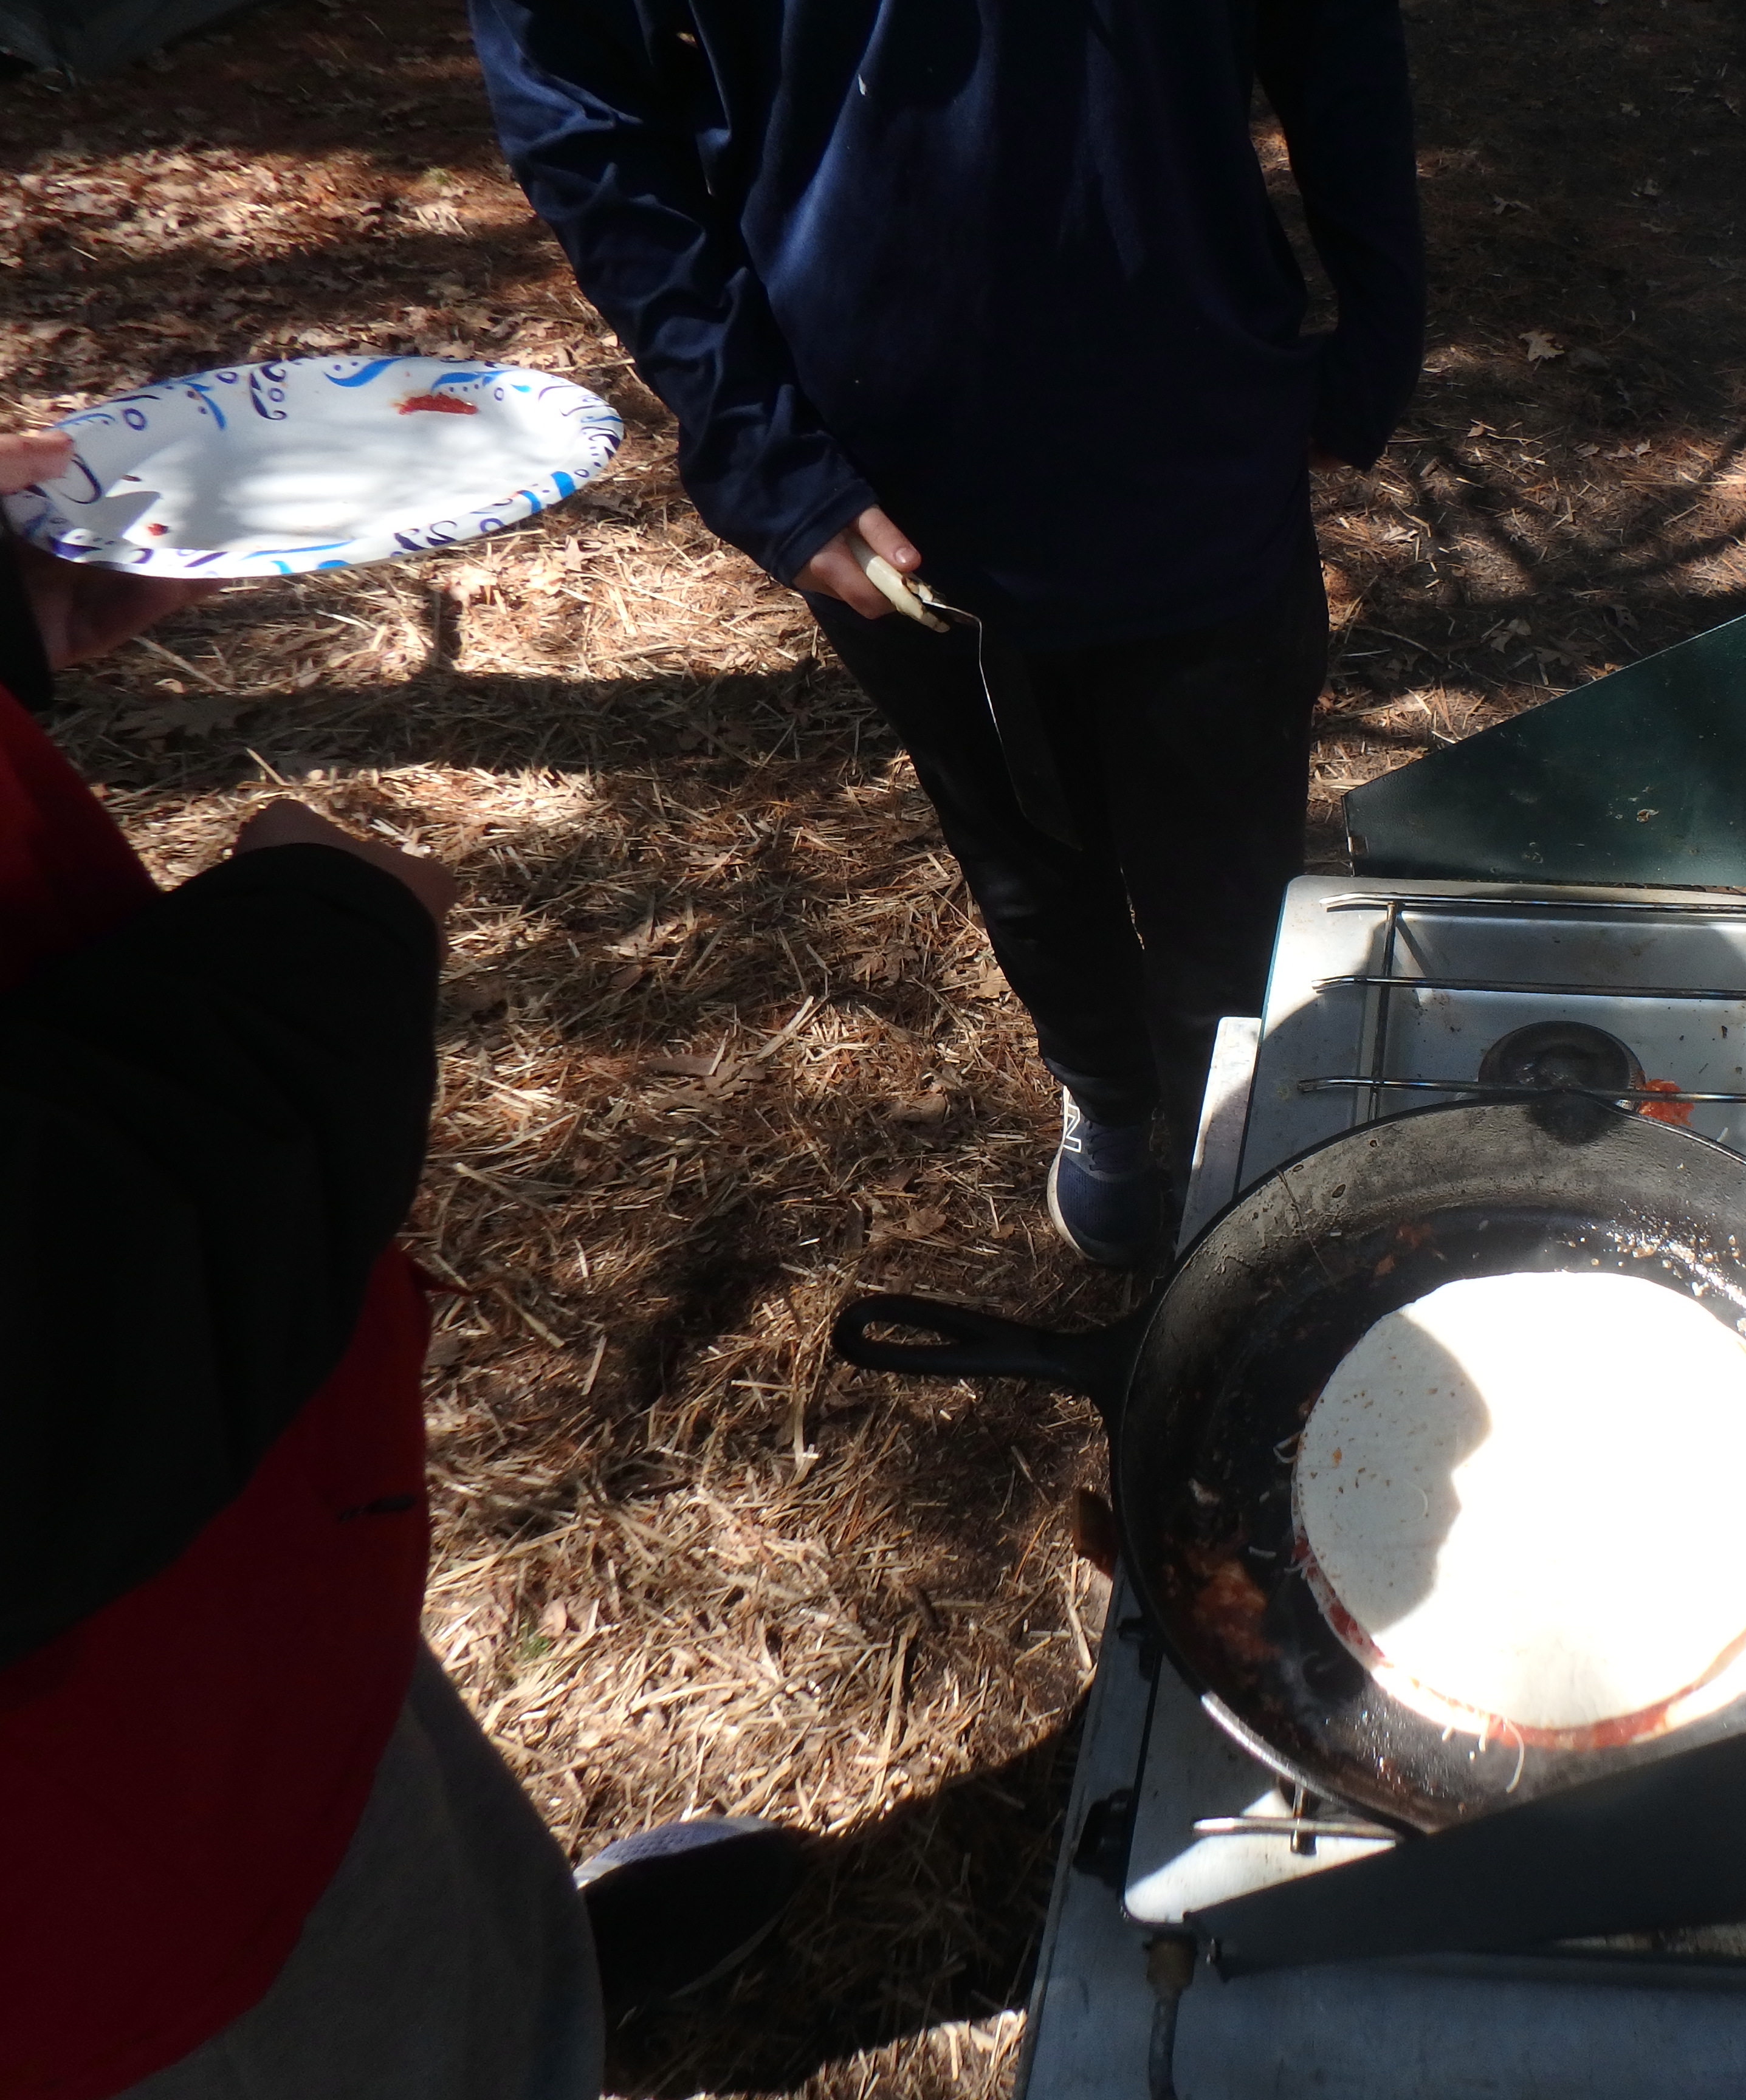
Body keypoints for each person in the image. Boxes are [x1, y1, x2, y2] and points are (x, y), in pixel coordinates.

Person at [0, 430, 792, 2100]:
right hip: (85, 1896)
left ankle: (527, 1977)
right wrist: (313, 962)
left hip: (225, 1580)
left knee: (411, 1863)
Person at [470, 0, 1427, 1268]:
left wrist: (1382, 327)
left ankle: (1231, 1127)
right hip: (895, 469)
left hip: (1192, 418)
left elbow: (1337, 33)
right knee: (1023, 851)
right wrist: (761, 448)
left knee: (1229, 863)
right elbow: (576, 104)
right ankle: (1111, 1096)